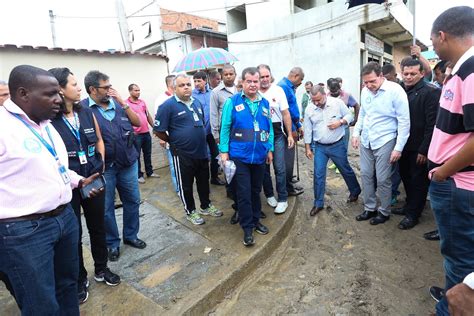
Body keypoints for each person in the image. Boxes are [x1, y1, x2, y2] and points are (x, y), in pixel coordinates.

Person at [0, 64, 100, 315]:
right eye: (50, 94)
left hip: (64, 218)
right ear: (23, 94)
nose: (59, 99)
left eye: (59, 92)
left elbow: (54, 165)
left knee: (67, 287)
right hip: (25, 232)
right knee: (40, 304)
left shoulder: (45, 124)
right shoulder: (3, 128)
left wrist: (78, 180)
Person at [49, 67, 120, 304]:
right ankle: (80, 278)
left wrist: (99, 166)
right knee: (74, 234)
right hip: (68, 186)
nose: (79, 88)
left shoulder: (86, 112)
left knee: (98, 226)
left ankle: (101, 269)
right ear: (60, 89)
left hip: (93, 178)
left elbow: (98, 139)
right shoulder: (49, 120)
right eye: (74, 84)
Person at [426, 6, 474, 315]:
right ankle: (449, 298)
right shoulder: (460, 70)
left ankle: (452, 309)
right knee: (456, 252)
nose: (432, 47)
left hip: (456, 182)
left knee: (460, 257)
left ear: (442, 36)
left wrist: (443, 172)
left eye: (432, 41)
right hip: (454, 181)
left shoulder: (471, 72)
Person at [81, 70, 146, 262]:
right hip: (105, 169)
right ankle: (112, 244)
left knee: (133, 200)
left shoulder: (118, 104)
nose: (110, 89)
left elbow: (138, 122)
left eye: (110, 86)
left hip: (128, 163)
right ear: (93, 89)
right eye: (106, 87)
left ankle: (131, 236)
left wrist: (123, 103)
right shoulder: (83, 110)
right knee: (107, 208)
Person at [154, 74, 222, 225]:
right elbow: (158, 130)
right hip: (182, 154)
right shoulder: (167, 106)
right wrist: (173, 141)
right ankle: (190, 211)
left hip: (201, 152)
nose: (186, 87)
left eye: (188, 84)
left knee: (204, 182)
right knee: (186, 185)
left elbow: (201, 123)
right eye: (181, 85)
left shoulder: (196, 103)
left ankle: (205, 206)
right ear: (174, 88)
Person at [219, 67, 274, 246]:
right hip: (239, 156)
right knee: (243, 193)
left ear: (260, 82)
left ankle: (256, 220)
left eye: (255, 81)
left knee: (255, 191)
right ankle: (247, 228)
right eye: (248, 81)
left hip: (259, 156)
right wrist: (224, 151)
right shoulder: (232, 102)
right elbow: (225, 127)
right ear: (242, 82)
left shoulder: (265, 103)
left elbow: (269, 129)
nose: (252, 84)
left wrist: (270, 149)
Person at [352, 61, 410, 225]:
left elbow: (404, 122)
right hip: (367, 139)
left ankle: (384, 211)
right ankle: (370, 208)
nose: (369, 85)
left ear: (381, 76)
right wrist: (356, 133)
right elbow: (363, 113)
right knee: (365, 174)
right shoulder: (365, 91)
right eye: (366, 82)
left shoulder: (395, 91)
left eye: (372, 81)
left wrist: (398, 148)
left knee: (383, 178)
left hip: (386, 139)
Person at [390, 59, 439, 230]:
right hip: (403, 145)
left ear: (422, 74)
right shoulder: (400, 90)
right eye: (406, 74)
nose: (409, 77)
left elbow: (431, 125)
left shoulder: (430, 92)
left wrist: (424, 150)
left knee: (418, 181)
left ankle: (413, 215)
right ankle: (409, 206)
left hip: (419, 147)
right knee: (406, 178)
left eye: (413, 74)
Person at [304, 86, 361, 216]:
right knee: (318, 174)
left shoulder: (337, 103)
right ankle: (318, 203)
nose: (316, 103)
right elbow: (307, 129)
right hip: (320, 147)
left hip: (337, 145)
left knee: (345, 169)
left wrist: (340, 122)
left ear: (325, 95)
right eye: (314, 101)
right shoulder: (309, 109)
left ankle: (355, 190)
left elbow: (349, 115)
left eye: (318, 100)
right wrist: (307, 147)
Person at [258, 64, 295, 215]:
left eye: (267, 76)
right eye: (262, 77)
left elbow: (286, 114)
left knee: (280, 167)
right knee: (264, 168)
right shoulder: (254, 92)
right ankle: (269, 195)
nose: (265, 79)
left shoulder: (278, 90)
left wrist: (290, 134)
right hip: (260, 134)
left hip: (278, 133)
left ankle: (283, 199)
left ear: (270, 76)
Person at [192, 71, 225, 186]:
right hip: (199, 132)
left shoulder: (212, 93)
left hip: (212, 131)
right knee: (203, 157)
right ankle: (204, 180)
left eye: (198, 81)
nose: (196, 83)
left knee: (216, 155)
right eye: (194, 81)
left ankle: (214, 177)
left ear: (205, 81)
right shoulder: (192, 95)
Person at [278, 67, 305, 196]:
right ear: (295, 76)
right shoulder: (283, 87)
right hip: (286, 129)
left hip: (293, 125)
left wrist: (298, 125)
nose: (301, 83)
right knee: (287, 160)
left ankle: (288, 181)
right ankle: (287, 188)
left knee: (290, 158)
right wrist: (292, 130)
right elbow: (285, 112)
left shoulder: (289, 87)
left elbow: (293, 109)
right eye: (301, 79)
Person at [126, 83, 159, 184]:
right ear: (130, 91)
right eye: (136, 90)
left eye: (139, 90)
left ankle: (149, 172)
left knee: (147, 154)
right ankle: (139, 175)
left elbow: (147, 115)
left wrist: (154, 127)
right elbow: (125, 119)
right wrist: (131, 131)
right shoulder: (125, 104)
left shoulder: (142, 102)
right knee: (136, 156)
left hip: (146, 133)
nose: (138, 92)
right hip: (136, 135)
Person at [155, 75, 179, 194]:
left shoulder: (178, 98)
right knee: (174, 166)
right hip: (171, 140)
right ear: (172, 85)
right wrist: (163, 139)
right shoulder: (161, 100)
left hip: (182, 141)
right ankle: (178, 189)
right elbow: (157, 123)